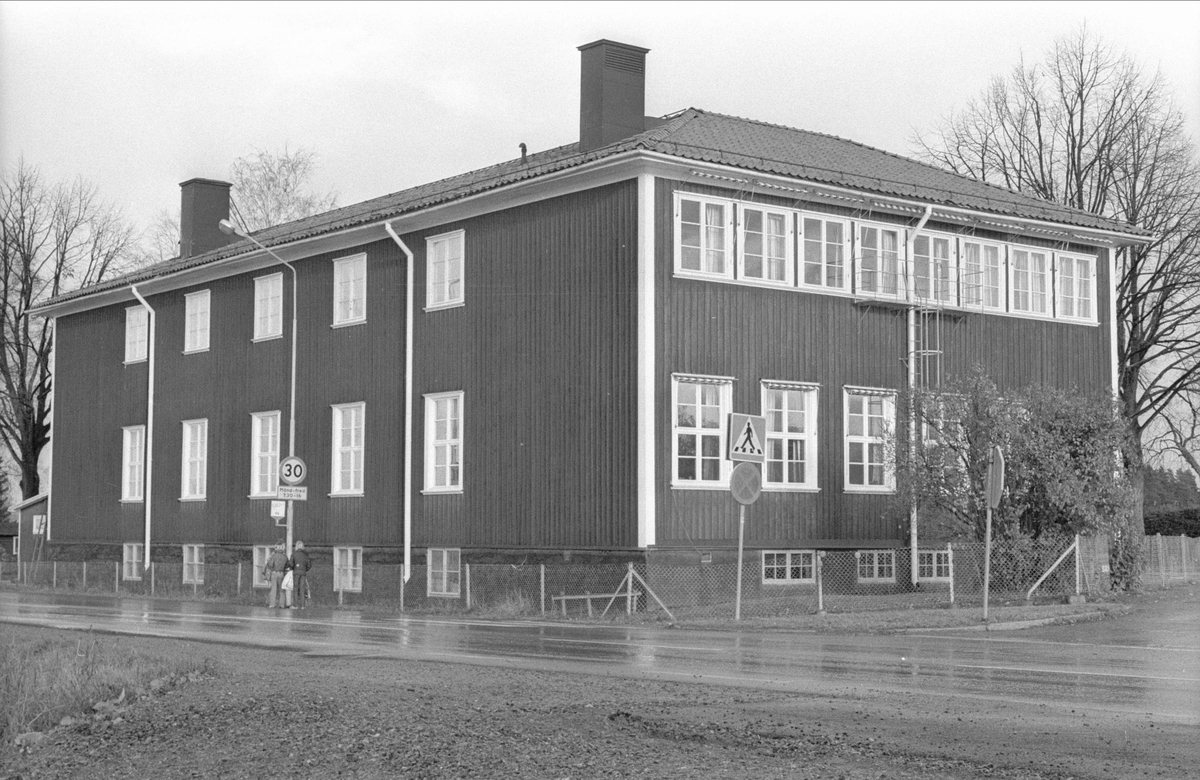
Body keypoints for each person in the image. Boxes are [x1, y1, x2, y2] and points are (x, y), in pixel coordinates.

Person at [263, 543, 289, 609]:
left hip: (274, 573)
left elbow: (270, 564)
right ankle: (282, 604)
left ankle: (272, 604)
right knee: (282, 589)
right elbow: (288, 565)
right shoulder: (285, 556)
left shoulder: (274, 556)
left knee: (273, 589)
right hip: (282, 573)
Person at [289, 541, 312, 609]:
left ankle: (295, 605)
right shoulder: (305, 555)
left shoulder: (294, 554)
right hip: (303, 573)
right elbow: (309, 565)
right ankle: (302, 605)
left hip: (296, 573)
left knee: (295, 589)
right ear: (302, 546)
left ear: (296, 546)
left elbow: (290, 563)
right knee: (302, 589)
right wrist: (305, 570)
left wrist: (293, 568)